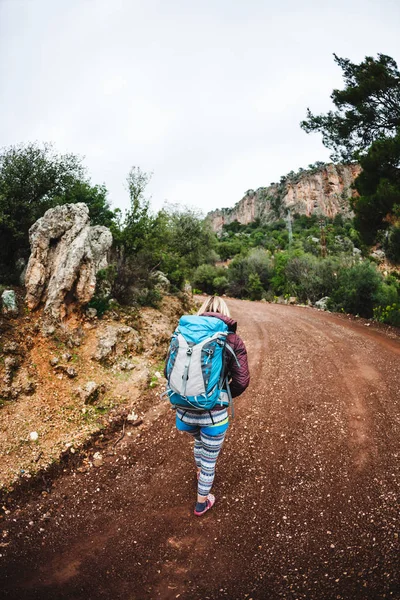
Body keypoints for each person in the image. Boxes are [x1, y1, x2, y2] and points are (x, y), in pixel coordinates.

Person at [174, 296, 250, 516]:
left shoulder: (184, 332)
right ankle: (202, 502)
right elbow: (242, 381)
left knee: (198, 439)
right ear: (224, 312)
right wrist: (223, 396)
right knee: (210, 459)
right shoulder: (232, 339)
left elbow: (169, 370)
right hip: (214, 415)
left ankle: (198, 472)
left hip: (185, 412)